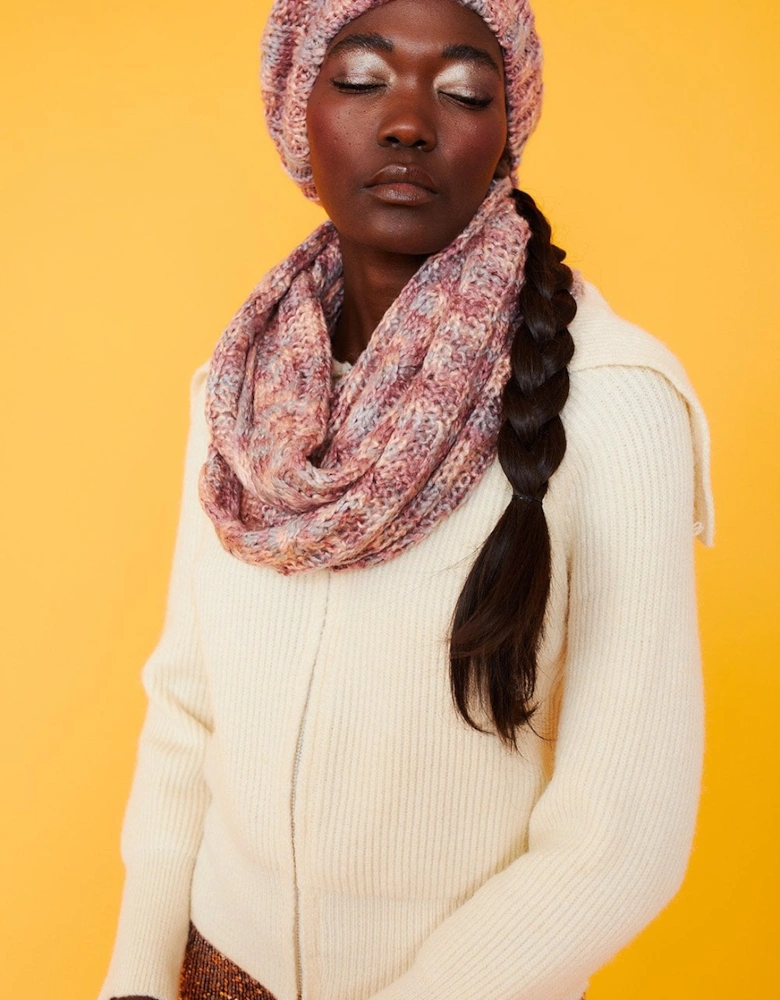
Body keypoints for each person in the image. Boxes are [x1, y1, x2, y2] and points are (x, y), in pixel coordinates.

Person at [98, 1, 714, 999]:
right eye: (360, 78)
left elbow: (620, 843)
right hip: (214, 972)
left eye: (464, 89)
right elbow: (186, 707)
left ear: (506, 130)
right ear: (296, 108)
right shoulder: (239, 386)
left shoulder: (616, 406)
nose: (408, 123)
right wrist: (134, 978)